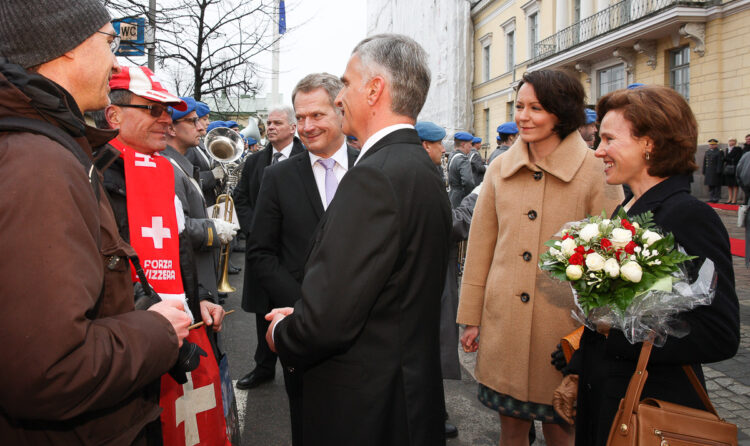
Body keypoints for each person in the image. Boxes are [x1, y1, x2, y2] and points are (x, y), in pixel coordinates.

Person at [0, 2, 190, 443]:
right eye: (110, 42)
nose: (117, 60)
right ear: (66, 47)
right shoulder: (37, 163)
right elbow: (49, 369)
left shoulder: (42, 148)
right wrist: (157, 330)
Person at [265, 34, 451, 446]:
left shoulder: (374, 176)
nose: (339, 97)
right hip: (406, 400)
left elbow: (328, 321)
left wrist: (284, 331)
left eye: (346, 84)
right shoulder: (419, 167)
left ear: (374, 89)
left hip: (364, 410)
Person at [564, 85, 741, 446]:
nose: (598, 151)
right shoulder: (624, 209)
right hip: (605, 394)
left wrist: (619, 334)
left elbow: (720, 334)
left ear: (650, 144)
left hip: (648, 402)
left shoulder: (688, 215)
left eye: (609, 139)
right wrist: (577, 370)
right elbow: (606, 307)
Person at [457, 69, 623, 446]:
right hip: (504, 322)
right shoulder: (500, 167)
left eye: (536, 108)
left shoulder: (596, 170)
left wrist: (601, 328)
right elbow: (481, 246)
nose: (523, 116)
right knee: (511, 429)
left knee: (562, 429)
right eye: (519, 106)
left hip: (564, 329)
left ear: (561, 113)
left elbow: (611, 255)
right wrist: (470, 318)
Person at [247, 73, 359, 445]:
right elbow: (262, 252)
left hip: (364, 332)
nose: (307, 127)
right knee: (309, 428)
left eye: (317, 115)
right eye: (301, 117)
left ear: (340, 110)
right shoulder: (277, 177)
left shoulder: (370, 168)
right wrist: (301, 307)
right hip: (300, 329)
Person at [234, 105, 305, 390]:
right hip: (262, 250)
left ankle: (299, 368)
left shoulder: (307, 158)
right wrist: (256, 230)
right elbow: (241, 198)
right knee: (263, 312)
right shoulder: (255, 162)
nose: (271, 127)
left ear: (292, 128)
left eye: (278, 122)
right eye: (269, 122)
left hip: (294, 252)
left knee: (295, 310)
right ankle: (263, 367)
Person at [449, 131, 476, 207]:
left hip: (452, 195)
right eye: (470, 143)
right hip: (461, 198)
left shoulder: (452, 155)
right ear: (463, 144)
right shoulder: (463, 159)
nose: (471, 146)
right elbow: (468, 182)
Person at [703, 138, 723, 203]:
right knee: (710, 185)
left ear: (716, 145)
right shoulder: (707, 151)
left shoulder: (719, 151)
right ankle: (711, 197)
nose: (711, 146)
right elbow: (705, 162)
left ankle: (716, 197)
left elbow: (720, 162)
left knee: (716, 185)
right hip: (709, 171)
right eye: (710, 144)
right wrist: (704, 170)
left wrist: (718, 170)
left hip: (715, 171)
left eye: (713, 144)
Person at [723, 138, 743, 204]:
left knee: (735, 184)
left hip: (734, 168)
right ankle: (730, 198)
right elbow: (725, 158)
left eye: (732, 141)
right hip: (728, 168)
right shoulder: (727, 149)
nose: (731, 142)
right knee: (729, 184)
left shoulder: (738, 149)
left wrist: (728, 158)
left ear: (735, 142)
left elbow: (737, 158)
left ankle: (734, 199)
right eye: (730, 141)